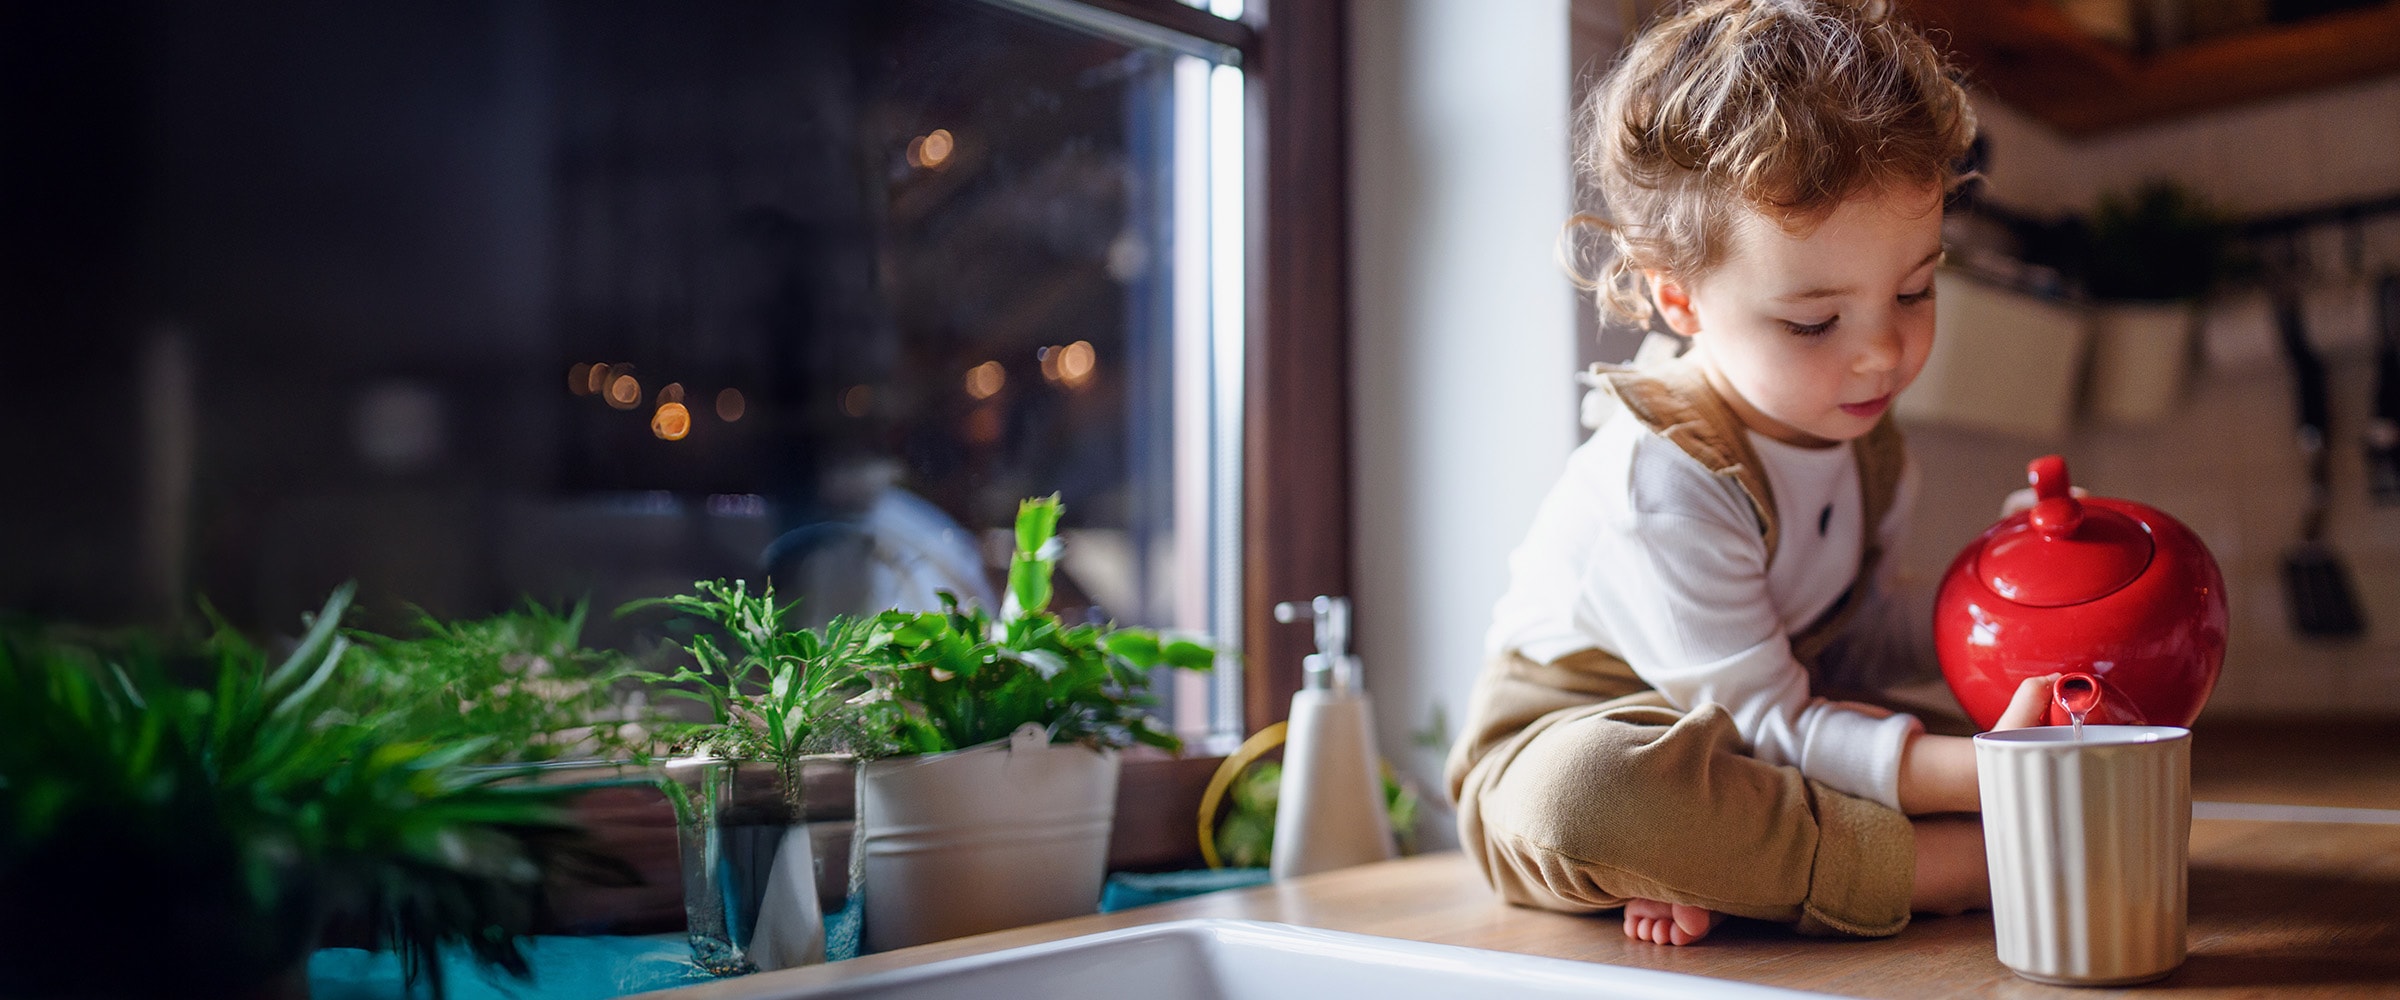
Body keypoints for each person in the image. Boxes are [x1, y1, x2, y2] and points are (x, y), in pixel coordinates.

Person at [1444, 0, 2060, 947]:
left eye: (1915, 290)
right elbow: (1772, 725)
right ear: (1678, 295)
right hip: (1593, 741)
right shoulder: (1663, 479)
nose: (1882, 354)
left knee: (2005, 740)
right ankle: (1945, 866)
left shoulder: (1872, 445)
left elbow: (1858, 634)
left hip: (1764, 733)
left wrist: (2007, 605)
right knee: (1587, 795)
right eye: (1814, 322)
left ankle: (1736, 874)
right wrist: (1984, 776)